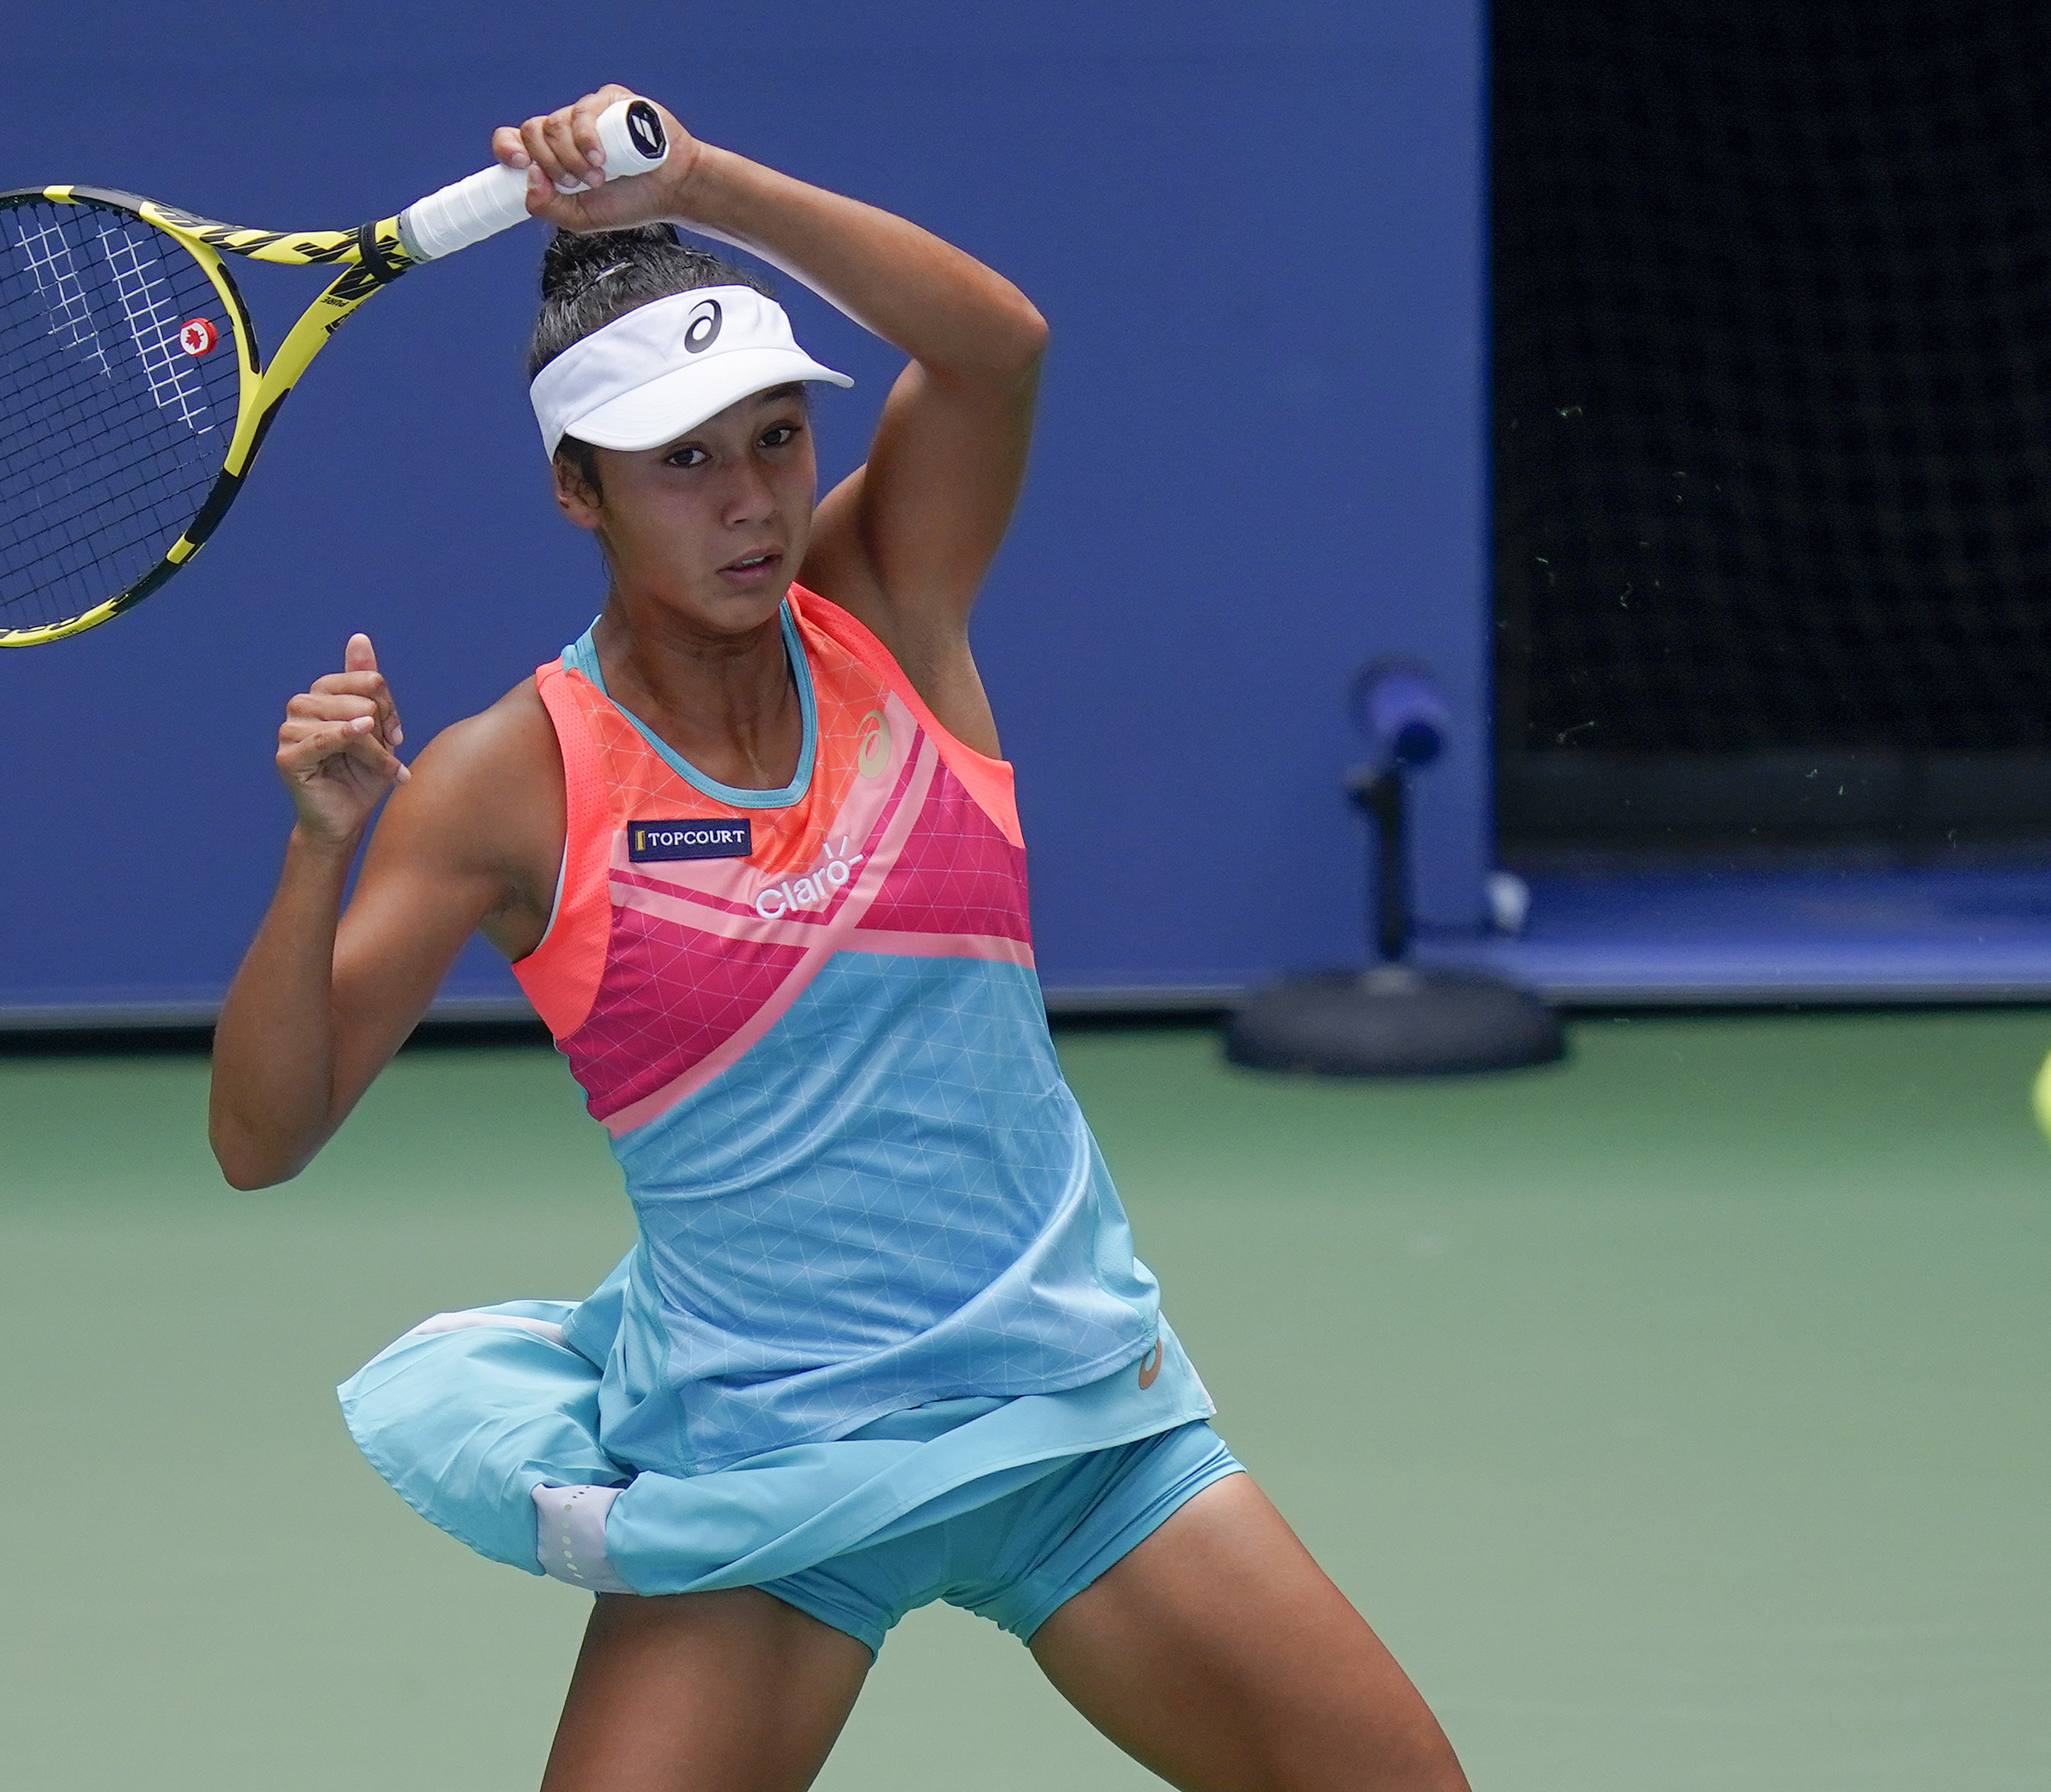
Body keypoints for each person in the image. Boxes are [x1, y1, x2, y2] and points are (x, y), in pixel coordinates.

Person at [209, 85, 1471, 1792]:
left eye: (775, 437)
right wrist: (317, 858)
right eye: (684, 460)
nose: (749, 502)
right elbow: (261, 1139)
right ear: (576, 489)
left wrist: (701, 181)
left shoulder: (887, 601)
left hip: (1072, 1422)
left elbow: (997, 348)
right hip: (766, 1471)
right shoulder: (509, 782)